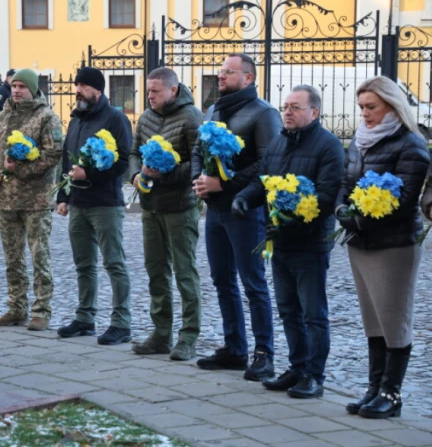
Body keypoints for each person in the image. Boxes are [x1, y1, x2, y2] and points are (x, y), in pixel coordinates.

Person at [232, 85, 344, 398]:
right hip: (278, 240)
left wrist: (292, 226)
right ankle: (296, 367)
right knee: (288, 311)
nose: (288, 112)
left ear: (314, 112)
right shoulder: (280, 141)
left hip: (309, 243)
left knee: (312, 314)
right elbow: (262, 181)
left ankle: (314, 375)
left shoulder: (329, 146)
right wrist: (244, 198)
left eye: (295, 107)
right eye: (286, 106)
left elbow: (325, 196)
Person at [336, 76, 429, 418]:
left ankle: (391, 394)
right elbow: (345, 183)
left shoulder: (410, 144)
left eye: (371, 107)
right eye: (361, 107)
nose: (365, 114)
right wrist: (342, 210)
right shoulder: (359, 140)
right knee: (372, 320)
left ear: (392, 105)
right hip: (360, 242)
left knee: (393, 319)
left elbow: (405, 199)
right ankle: (374, 387)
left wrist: (361, 219)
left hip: (394, 245)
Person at [192, 53, 281, 380]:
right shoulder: (214, 109)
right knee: (221, 280)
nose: (221, 76)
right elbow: (197, 150)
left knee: (253, 282)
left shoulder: (264, 113)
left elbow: (268, 164)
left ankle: (264, 353)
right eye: (220, 72)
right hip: (215, 210)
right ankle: (235, 348)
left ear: (248, 77)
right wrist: (199, 179)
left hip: (246, 210)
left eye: (228, 72)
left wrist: (226, 181)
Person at [129, 67, 203, 361]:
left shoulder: (191, 117)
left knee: (185, 273)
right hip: (151, 206)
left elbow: (199, 161)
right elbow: (134, 152)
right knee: (155, 271)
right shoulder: (146, 118)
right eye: (148, 91)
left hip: (179, 206)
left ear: (173, 90)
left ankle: (188, 337)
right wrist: (136, 174)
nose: (150, 96)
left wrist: (167, 172)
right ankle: (161, 334)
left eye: (155, 91)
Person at [55, 67, 133, 345]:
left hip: (105, 203)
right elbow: (67, 160)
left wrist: (90, 175)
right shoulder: (75, 120)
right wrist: (63, 197)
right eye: (76, 84)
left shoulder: (115, 118)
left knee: (114, 263)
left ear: (97, 90)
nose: (77, 89)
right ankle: (85, 318)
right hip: (78, 202)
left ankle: (121, 323)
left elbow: (124, 162)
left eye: (83, 85)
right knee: (83, 264)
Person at [0, 68, 62, 331]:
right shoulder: (1, 118)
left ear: (32, 89)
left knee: (39, 256)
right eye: (14, 85)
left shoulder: (46, 117)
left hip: (36, 200)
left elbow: (53, 155)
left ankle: (41, 310)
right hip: (7, 199)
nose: (16, 90)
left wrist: (21, 169)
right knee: (12, 259)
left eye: (22, 86)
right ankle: (16, 307)